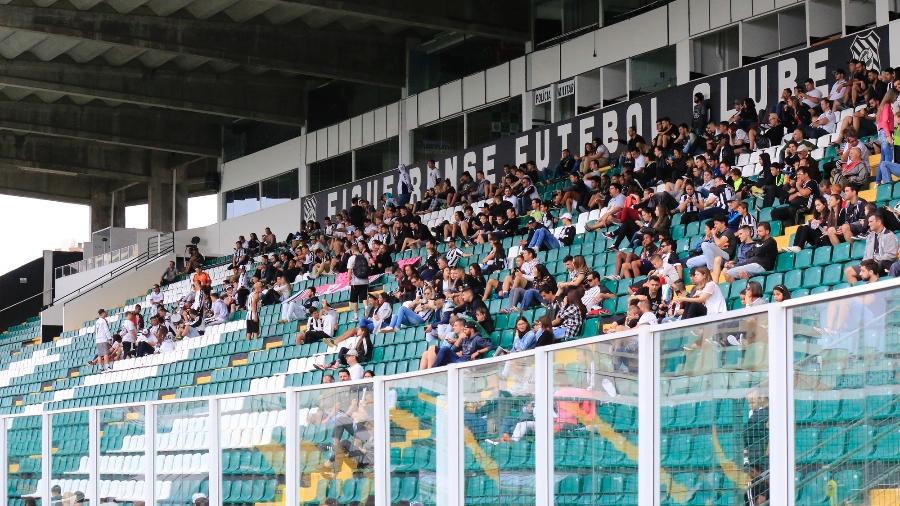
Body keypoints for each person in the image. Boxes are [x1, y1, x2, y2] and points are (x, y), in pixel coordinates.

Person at [845, 212, 898, 283]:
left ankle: (874, 292)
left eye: (871, 222)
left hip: (882, 263)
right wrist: (864, 263)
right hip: (870, 263)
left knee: (869, 271)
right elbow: (866, 254)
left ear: (879, 222)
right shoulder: (870, 236)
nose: (869, 224)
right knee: (849, 271)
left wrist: (875, 261)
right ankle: (858, 292)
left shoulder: (889, 235)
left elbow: (892, 255)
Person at [347, 243, 370, 322]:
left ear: (352, 251)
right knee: (364, 297)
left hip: (355, 282)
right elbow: (369, 266)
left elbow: (350, 271)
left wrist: (348, 280)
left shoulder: (351, 258)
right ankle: (367, 310)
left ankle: (356, 317)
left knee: (354, 299)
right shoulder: (365, 256)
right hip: (365, 280)